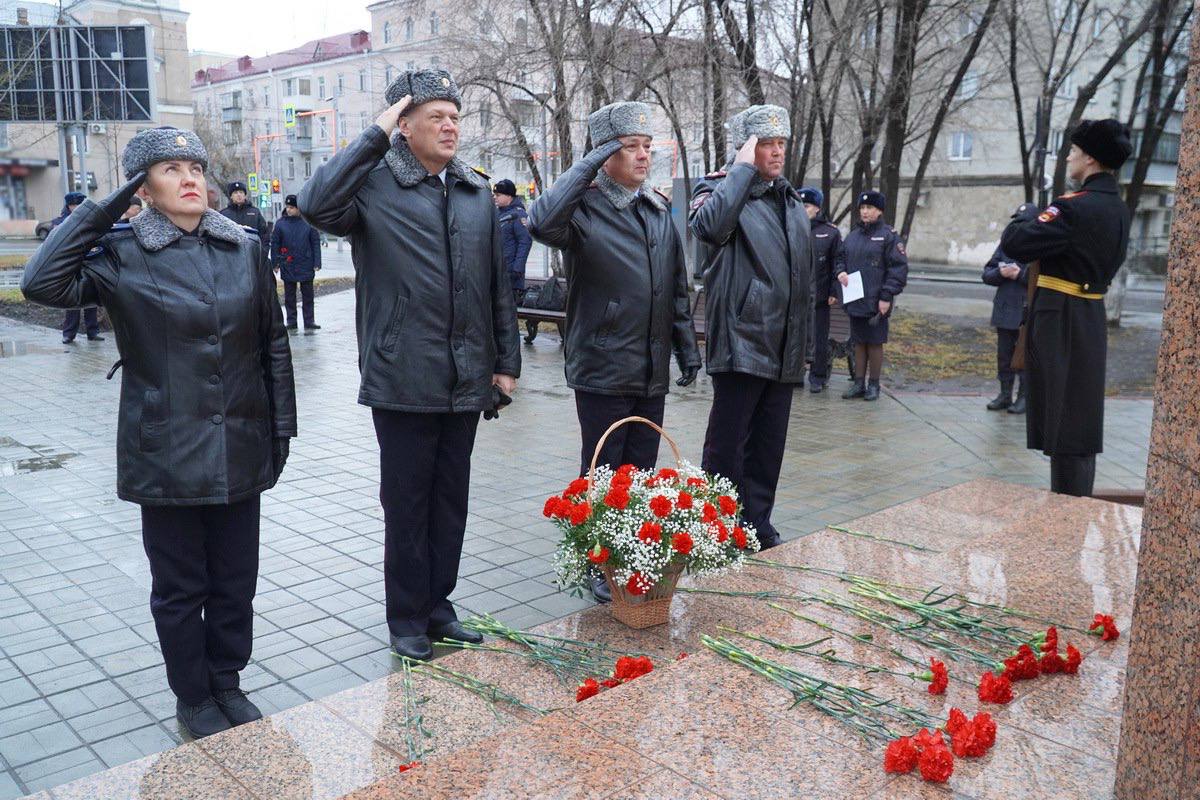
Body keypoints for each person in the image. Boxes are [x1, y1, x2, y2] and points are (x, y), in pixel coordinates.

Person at [21, 126, 296, 739]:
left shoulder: (244, 246)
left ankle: (227, 679)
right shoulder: (121, 252)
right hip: (165, 449)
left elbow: (272, 344)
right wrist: (102, 209)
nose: (191, 177)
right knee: (180, 587)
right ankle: (194, 696)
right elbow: (40, 284)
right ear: (141, 188)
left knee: (235, 582)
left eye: (195, 165)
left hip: (242, 444)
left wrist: (281, 431)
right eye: (170, 169)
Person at [299, 70, 520, 660]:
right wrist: (372, 134)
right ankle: (406, 618)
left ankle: (439, 607)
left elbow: (499, 286)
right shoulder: (373, 185)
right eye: (435, 116)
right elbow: (316, 202)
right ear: (404, 124)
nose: (449, 126)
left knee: (451, 500)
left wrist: (506, 362)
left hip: (467, 375)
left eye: (454, 117)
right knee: (407, 503)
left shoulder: (474, 192)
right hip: (403, 374)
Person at [529, 100, 701, 601]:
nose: (644, 156)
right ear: (605, 154)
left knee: (641, 471)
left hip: (650, 367)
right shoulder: (582, 209)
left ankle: (629, 558)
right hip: (602, 363)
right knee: (603, 472)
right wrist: (586, 164)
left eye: (647, 147)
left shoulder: (656, 209)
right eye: (631, 147)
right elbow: (540, 222)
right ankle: (593, 561)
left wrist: (686, 349)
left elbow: (676, 288)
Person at [689, 105, 812, 551]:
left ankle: (757, 522)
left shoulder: (790, 198)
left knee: (768, 443)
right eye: (766, 144)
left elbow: (801, 278)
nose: (777, 152)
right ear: (745, 148)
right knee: (728, 444)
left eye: (781, 143)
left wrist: (803, 342)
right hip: (742, 337)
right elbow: (707, 227)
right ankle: (718, 525)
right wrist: (740, 171)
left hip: (783, 343)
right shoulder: (719, 189)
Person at [1000, 119, 1133, 497]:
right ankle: (1075, 501)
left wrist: (1027, 214)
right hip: (1090, 315)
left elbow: (1017, 242)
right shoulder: (1118, 209)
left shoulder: (1074, 208)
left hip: (1059, 316)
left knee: (1065, 424)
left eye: (1074, 151)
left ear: (1090, 158)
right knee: (1079, 419)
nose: (1071, 157)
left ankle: (1069, 509)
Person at [835, 191, 908, 401]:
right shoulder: (853, 236)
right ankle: (859, 383)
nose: (865, 212)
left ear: (879, 211)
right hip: (855, 298)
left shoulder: (888, 236)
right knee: (858, 342)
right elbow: (840, 257)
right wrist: (840, 271)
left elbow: (898, 269)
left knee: (874, 342)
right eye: (862, 208)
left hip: (877, 300)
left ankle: (873, 385)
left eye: (870, 208)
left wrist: (886, 296)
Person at [798, 187, 844, 393]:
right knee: (795, 336)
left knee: (818, 336)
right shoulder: (792, 228)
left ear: (817, 208)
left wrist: (834, 291)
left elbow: (838, 262)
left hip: (820, 295)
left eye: (806, 205)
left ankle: (818, 376)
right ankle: (795, 373)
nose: (802, 209)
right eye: (799, 204)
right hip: (795, 295)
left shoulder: (830, 232)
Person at [981, 225, 1030, 413]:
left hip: (1026, 310)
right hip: (1004, 309)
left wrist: (1020, 275)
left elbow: (1042, 278)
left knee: (1024, 356)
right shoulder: (1006, 246)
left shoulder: (1038, 246)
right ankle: (1005, 395)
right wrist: (1000, 273)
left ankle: (1024, 397)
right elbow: (987, 274)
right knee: (1004, 356)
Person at [54, 192, 104, 344]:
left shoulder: (91, 220)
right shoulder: (61, 222)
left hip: (89, 263)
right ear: (68, 206)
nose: (75, 208)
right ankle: (69, 333)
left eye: (78, 204)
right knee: (72, 300)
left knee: (91, 299)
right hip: (70, 265)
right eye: (72, 205)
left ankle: (92, 331)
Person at [270, 195, 322, 334]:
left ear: (299, 208)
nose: (289, 210)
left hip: (306, 262)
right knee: (289, 296)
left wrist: (317, 262)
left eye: (292, 207)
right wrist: (275, 262)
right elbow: (275, 244)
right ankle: (291, 321)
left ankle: (309, 321)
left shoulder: (308, 223)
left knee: (308, 295)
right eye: (287, 207)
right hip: (288, 263)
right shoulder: (281, 224)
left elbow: (315, 243)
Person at [493, 179, 532, 303]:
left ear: (509, 196)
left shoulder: (518, 215)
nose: (495, 198)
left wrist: (517, 269)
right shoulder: (498, 214)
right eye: (494, 195)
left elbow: (525, 242)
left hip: (511, 275)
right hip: (497, 272)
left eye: (498, 195)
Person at [220, 181, 268, 246]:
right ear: (231, 196)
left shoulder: (255, 212)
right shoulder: (224, 214)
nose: (239, 195)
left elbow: (264, 235)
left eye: (241, 192)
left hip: (251, 252)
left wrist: (262, 252)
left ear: (245, 195)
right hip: (230, 252)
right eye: (235, 193)